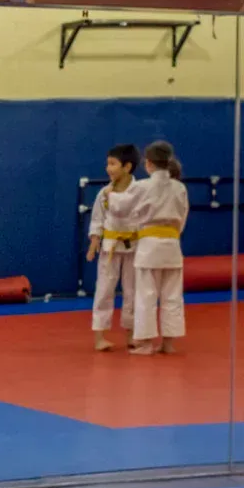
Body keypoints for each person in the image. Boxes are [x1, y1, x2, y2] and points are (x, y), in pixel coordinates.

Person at [106, 141, 189, 355]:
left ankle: (145, 343)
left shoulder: (142, 186)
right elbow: (182, 217)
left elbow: (120, 208)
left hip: (149, 246)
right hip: (172, 245)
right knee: (172, 296)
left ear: (148, 163)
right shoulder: (180, 187)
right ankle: (168, 344)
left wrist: (110, 194)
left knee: (146, 295)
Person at [87, 144, 141, 351]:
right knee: (104, 290)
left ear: (127, 167)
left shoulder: (139, 191)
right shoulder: (104, 192)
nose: (108, 168)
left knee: (132, 291)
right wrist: (94, 243)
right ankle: (100, 337)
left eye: (112, 164)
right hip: (110, 247)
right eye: (107, 163)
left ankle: (131, 335)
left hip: (134, 246)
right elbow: (97, 220)